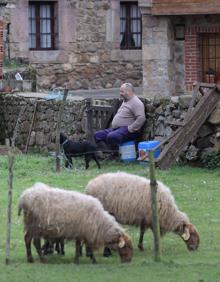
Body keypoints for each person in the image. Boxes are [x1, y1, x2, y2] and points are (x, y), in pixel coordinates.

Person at [94, 82, 146, 151]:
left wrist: (130, 128)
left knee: (112, 136)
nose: (120, 94)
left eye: (122, 91)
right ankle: (108, 152)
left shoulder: (137, 102)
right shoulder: (125, 101)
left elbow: (141, 118)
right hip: (117, 129)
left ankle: (116, 154)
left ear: (128, 91)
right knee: (97, 135)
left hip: (128, 130)